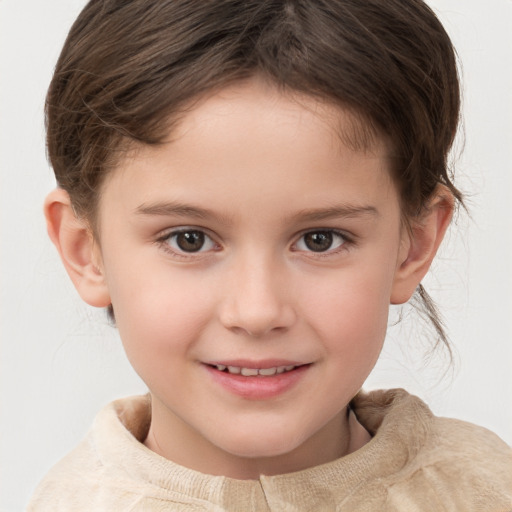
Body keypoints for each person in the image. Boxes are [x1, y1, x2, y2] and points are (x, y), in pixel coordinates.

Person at [27, 0, 512, 510]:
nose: (257, 312)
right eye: (188, 239)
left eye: (320, 239)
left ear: (413, 245)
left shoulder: (487, 490)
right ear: (86, 251)